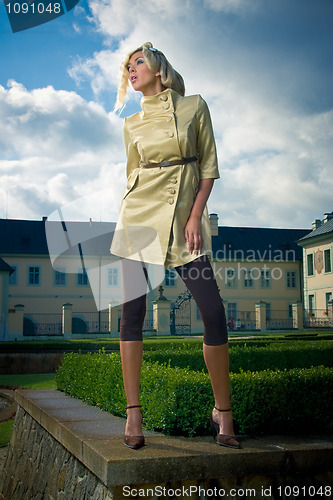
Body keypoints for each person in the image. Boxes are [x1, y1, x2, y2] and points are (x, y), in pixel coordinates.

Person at [111, 42, 240, 450]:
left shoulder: (194, 106)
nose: (132, 70)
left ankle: (223, 410)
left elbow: (208, 168)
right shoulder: (131, 123)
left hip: (186, 219)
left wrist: (195, 216)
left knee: (214, 312)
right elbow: (133, 173)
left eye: (138, 63)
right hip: (139, 217)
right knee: (132, 313)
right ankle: (134, 414)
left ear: (158, 68)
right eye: (127, 66)